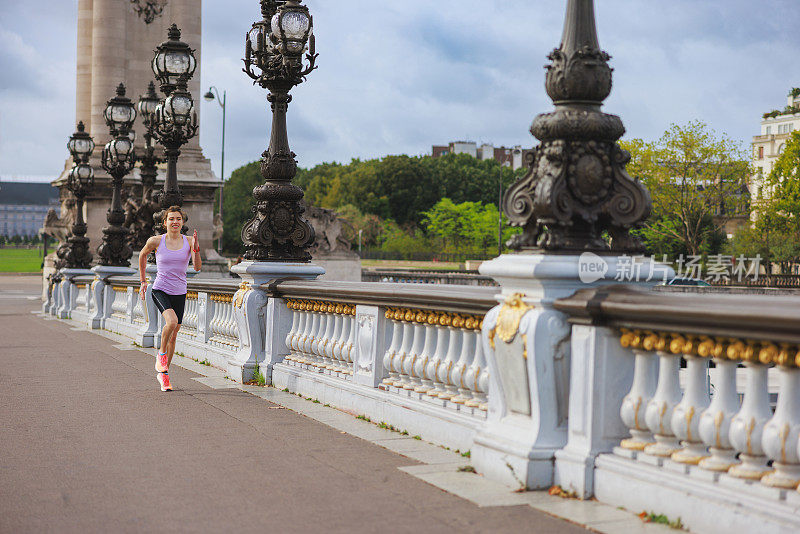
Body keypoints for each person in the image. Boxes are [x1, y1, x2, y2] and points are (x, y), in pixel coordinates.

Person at [138, 206, 202, 391]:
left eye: (178, 219)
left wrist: (196, 249)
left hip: (180, 291)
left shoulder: (190, 241)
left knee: (174, 335)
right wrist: (143, 281)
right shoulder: (156, 241)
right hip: (160, 289)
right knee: (171, 322)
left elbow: (197, 267)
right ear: (164, 222)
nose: (175, 222)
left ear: (182, 222)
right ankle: (161, 355)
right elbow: (142, 255)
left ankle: (164, 375)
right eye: (171, 219)